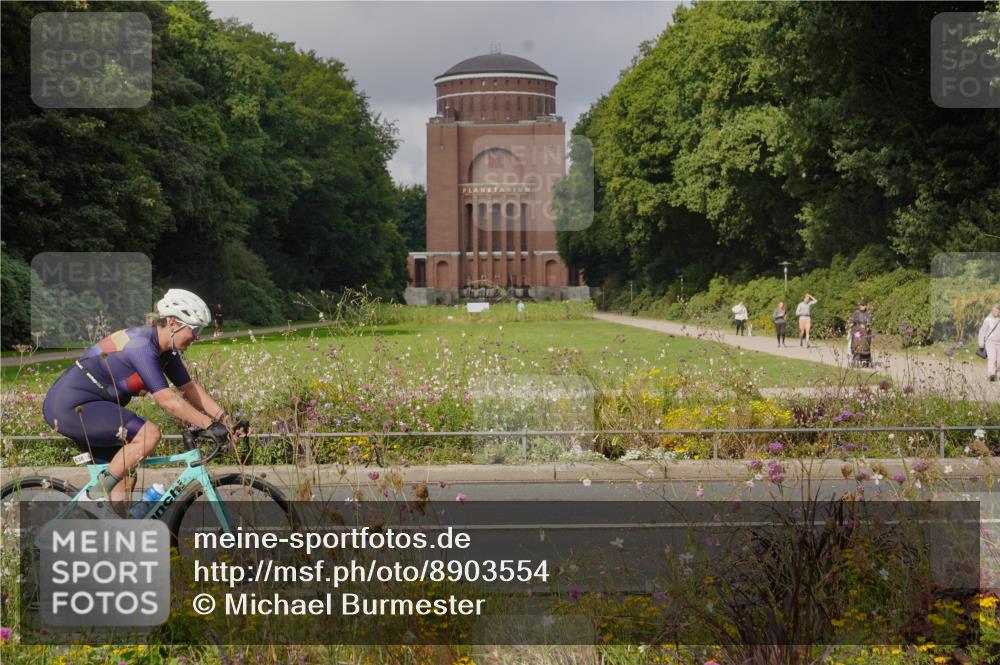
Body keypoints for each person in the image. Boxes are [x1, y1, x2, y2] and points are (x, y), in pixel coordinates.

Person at [42, 289, 234, 514]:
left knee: (124, 481)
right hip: (72, 405)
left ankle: (112, 539)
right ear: (173, 323)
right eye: (195, 329)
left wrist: (226, 420)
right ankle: (92, 497)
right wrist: (209, 425)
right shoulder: (141, 345)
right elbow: (167, 400)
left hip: (93, 407)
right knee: (149, 435)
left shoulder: (166, 352)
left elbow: (190, 389)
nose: (198, 336)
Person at [848, 300, 874, 367]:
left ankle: (865, 357)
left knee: (865, 340)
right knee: (857, 339)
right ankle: (855, 357)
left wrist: (865, 327)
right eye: (860, 305)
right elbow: (852, 321)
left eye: (863, 305)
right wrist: (851, 324)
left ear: (865, 306)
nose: (861, 306)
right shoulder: (856, 313)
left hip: (865, 332)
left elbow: (869, 324)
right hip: (857, 331)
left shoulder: (868, 314)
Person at [978, 303, 1000, 382]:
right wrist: (981, 343)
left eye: (996, 310)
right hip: (990, 342)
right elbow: (982, 331)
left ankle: (997, 374)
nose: (994, 312)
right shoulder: (988, 320)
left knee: (999, 360)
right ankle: (991, 374)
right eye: (993, 310)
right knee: (992, 358)